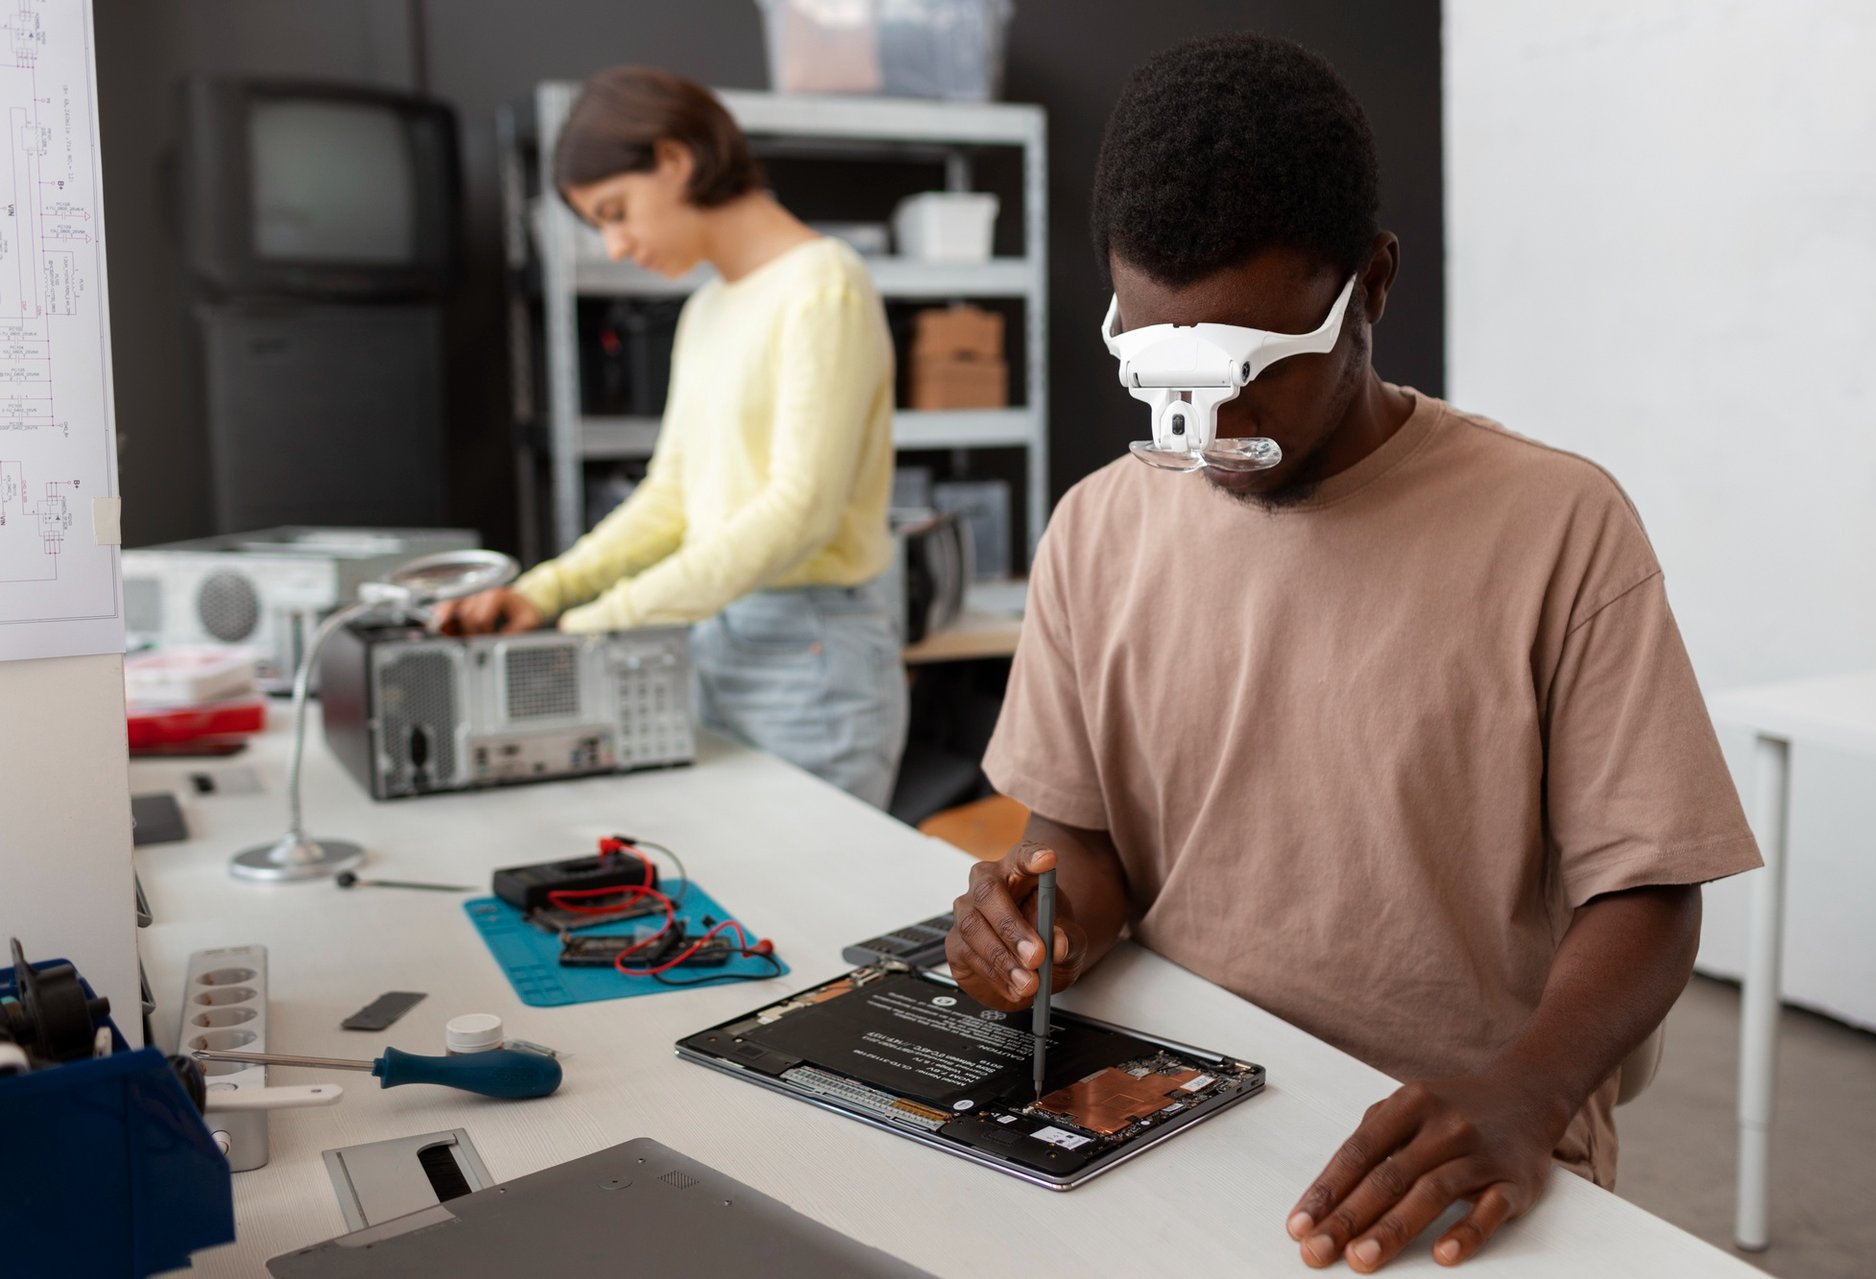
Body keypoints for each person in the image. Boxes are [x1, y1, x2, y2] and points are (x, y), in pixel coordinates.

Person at [944, 34, 1761, 1272]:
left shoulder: (1556, 526)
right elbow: (1092, 844)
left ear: (1371, 287)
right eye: (1161, 372)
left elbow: (1647, 891)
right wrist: (1038, 921)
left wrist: (1529, 1091)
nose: (1208, 427)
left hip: (1458, 1126)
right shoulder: (1102, 524)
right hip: (1179, 1088)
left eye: (1250, 373)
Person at [441, 67, 906, 808]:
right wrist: (544, 592)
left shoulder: (824, 283)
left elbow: (800, 510)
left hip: (809, 652)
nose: (616, 245)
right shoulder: (708, 309)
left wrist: (601, 621)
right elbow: (673, 496)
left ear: (675, 159)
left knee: (811, 907)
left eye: (616, 211)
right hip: (710, 635)